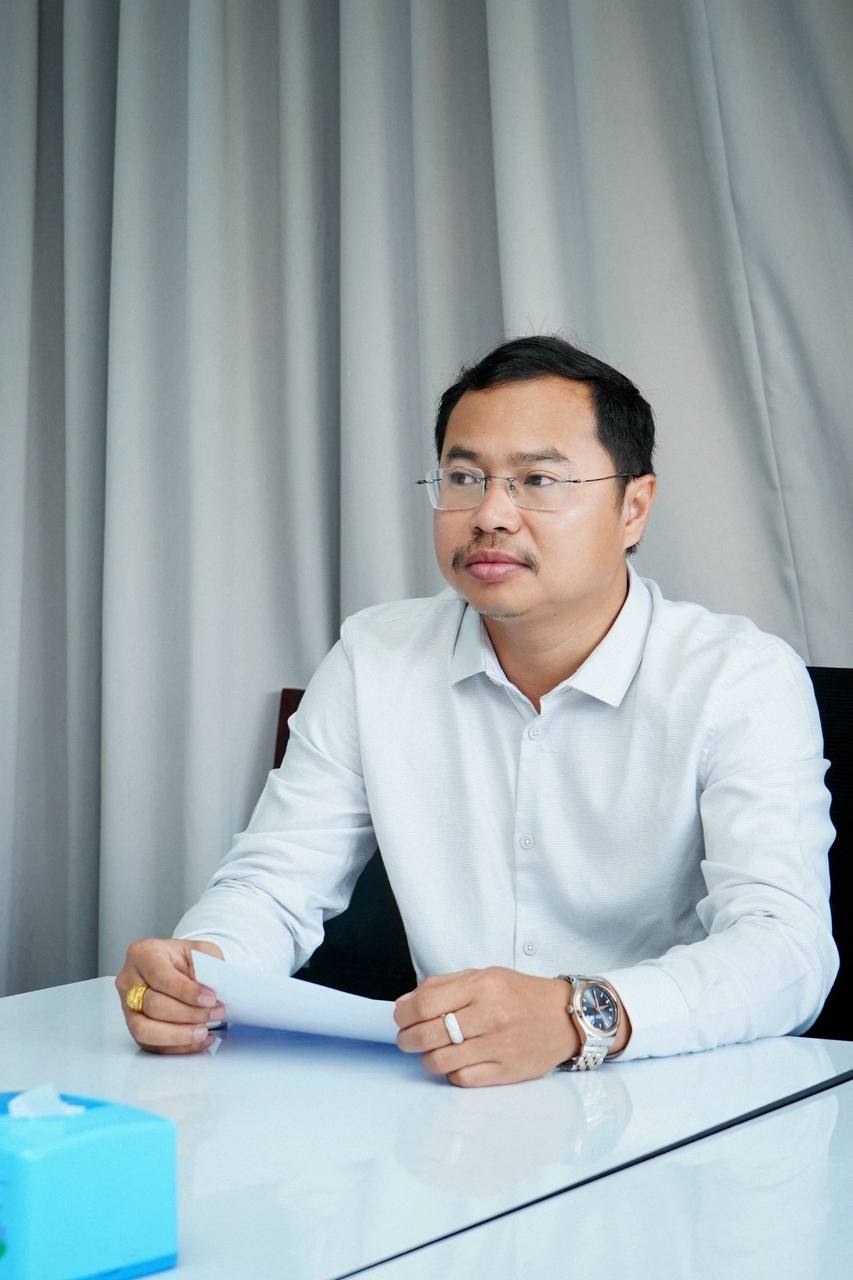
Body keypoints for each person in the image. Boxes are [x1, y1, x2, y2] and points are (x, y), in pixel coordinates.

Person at [116, 335, 837, 1084]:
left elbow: (786, 948)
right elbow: (273, 886)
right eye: (464, 477)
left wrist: (576, 1015)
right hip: (449, 1100)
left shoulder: (738, 678)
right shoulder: (375, 657)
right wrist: (200, 968)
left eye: (538, 480)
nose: (491, 514)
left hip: (678, 1094)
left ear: (633, 507)